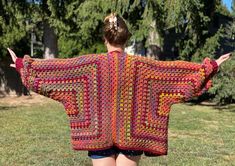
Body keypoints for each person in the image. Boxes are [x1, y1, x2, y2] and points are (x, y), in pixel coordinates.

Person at [7, 13, 231, 166]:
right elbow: (177, 76)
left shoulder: (88, 66)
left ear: (105, 38)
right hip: (133, 136)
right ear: (126, 39)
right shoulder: (143, 67)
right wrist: (208, 68)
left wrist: (22, 66)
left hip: (98, 135)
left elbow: (55, 73)